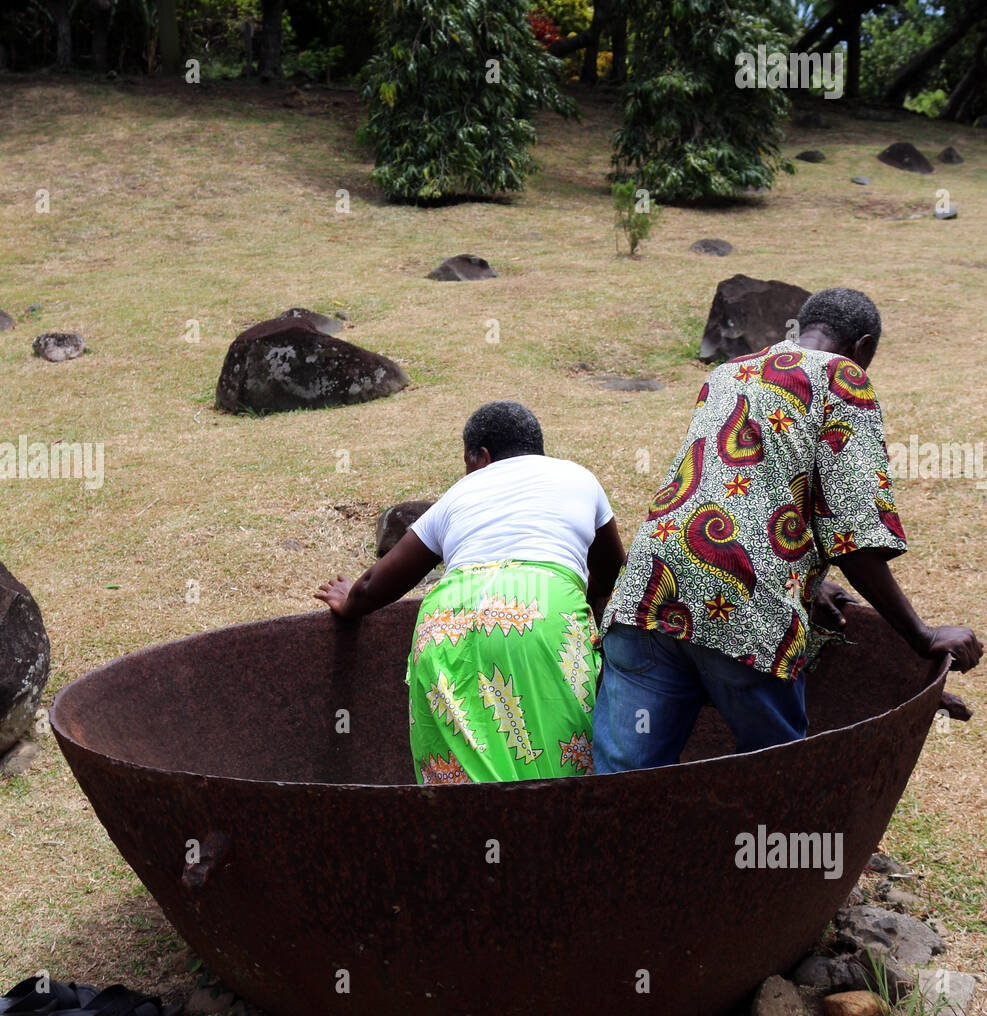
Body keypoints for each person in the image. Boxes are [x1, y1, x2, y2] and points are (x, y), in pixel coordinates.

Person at [593, 287, 983, 772]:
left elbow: (741, 490)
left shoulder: (728, 373)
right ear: (862, 348)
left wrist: (807, 579)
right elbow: (855, 536)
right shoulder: (844, 376)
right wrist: (922, 636)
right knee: (774, 779)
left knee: (622, 784)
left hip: (647, 595)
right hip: (743, 608)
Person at [314, 400, 625, 783]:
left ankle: (473, 839)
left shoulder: (458, 495)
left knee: (461, 780)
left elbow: (376, 583)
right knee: (559, 768)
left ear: (481, 456)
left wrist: (349, 603)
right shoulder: (578, 478)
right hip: (542, 612)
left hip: (447, 619)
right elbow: (611, 561)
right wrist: (590, 607)